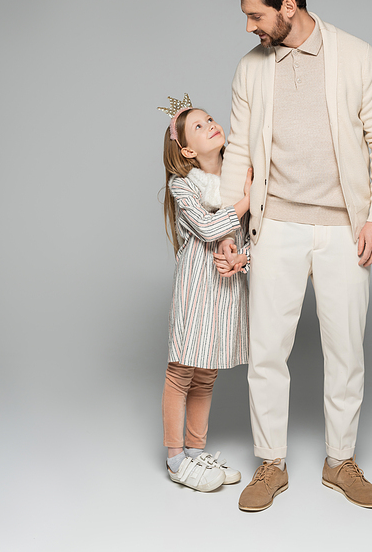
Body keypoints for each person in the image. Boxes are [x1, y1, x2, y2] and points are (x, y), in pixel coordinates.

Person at [218, 0, 372, 512]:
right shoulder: (252, 68)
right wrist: (229, 224)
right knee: (267, 349)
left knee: (345, 349)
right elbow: (241, 151)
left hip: (346, 229)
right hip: (274, 226)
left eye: (255, 15)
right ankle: (270, 463)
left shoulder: (357, 56)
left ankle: (339, 461)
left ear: (288, 7)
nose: (249, 26)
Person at [159, 94, 252, 492]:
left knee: (207, 373)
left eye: (210, 118)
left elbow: (252, 236)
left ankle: (197, 452)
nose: (211, 124)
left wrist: (241, 260)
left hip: (225, 290)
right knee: (182, 371)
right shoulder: (183, 187)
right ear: (187, 149)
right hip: (196, 290)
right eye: (198, 126)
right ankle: (176, 459)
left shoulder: (239, 174)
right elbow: (210, 228)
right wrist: (248, 200)